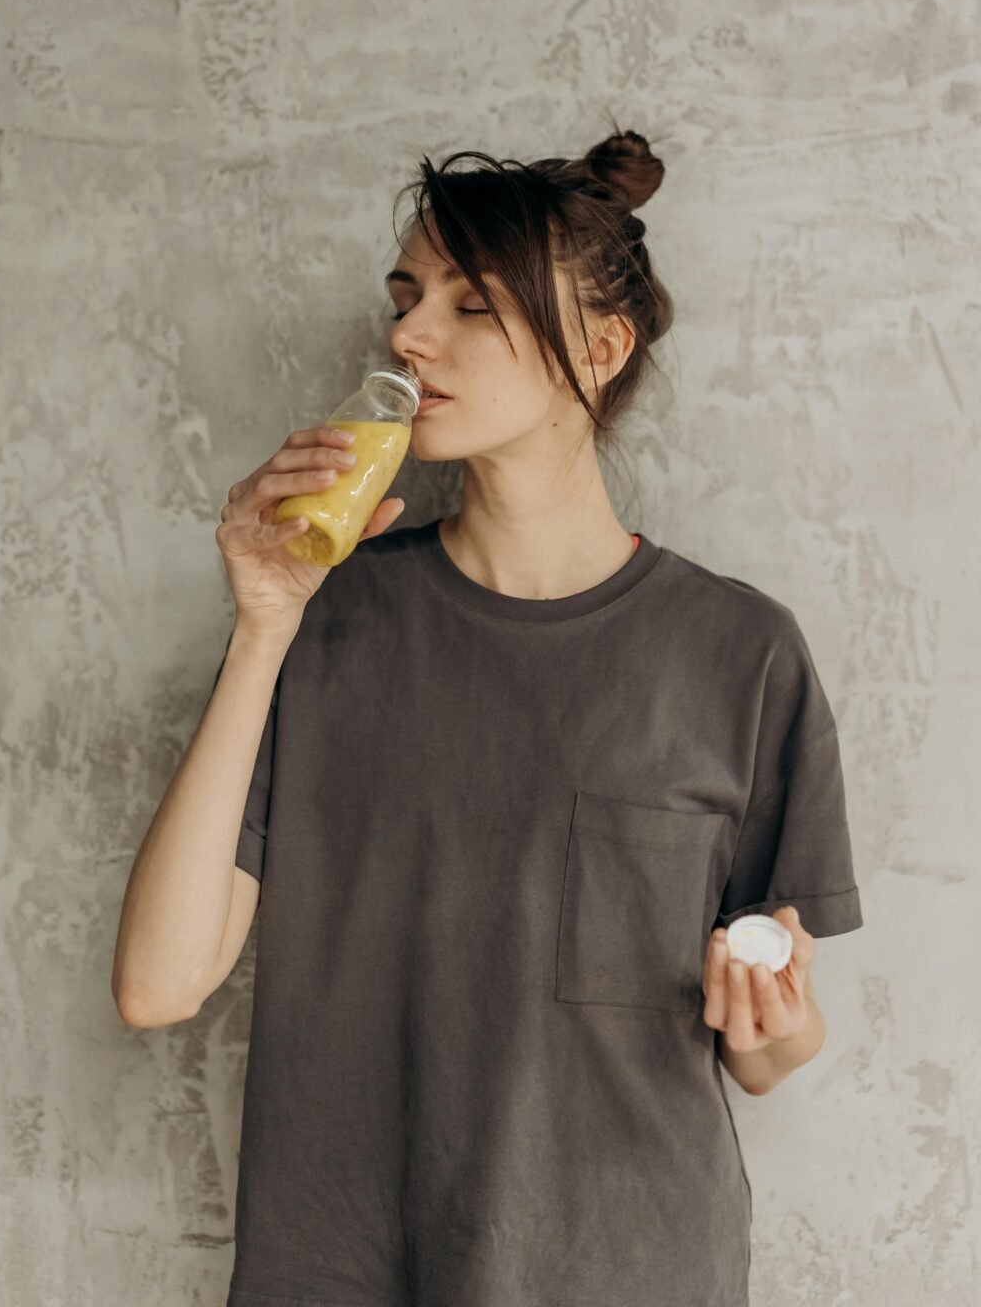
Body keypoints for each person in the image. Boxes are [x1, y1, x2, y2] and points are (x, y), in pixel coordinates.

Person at [112, 123, 864, 1307]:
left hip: (631, 1267)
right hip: (348, 1268)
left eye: (473, 306)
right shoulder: (326, 625)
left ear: (600, 348)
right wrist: (263, 622)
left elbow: (767, 1059)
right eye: (408, 296)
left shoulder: (738, 652)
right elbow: (158, 987)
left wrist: (768, 1013)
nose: (409, 335)